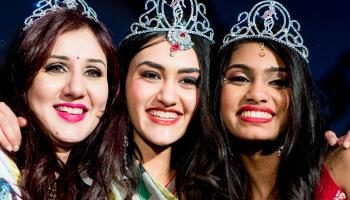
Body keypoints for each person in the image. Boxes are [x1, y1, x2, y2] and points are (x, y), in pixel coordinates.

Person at [210, 0, 350, 199]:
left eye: (278, 82)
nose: (257, 94)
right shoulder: (199, 190)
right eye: (240, 78)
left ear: (299, 97)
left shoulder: (341, 164)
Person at [0, 0, 126, 199]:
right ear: (22, 80)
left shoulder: (118, 186)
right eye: (56, 67)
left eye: (93, 72)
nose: (76, 89)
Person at [113, 0, 226, 199]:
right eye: (151, 75)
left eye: (187, 80)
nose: (167, 97)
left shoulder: (221, 192)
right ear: (122, 81)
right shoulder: (83, 183)